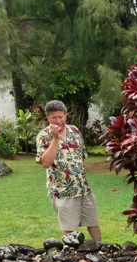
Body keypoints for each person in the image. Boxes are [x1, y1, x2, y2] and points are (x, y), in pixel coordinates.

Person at [36, 100, 102, 242]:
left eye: (61, 117)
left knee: (93, 223)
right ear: (48, 117)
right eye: (54, 118)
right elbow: (46, 163)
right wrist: (55, 139)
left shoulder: (75, 131)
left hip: (83, 188)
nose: (59, 121)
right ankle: (70, 253)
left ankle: (100, 247)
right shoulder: (43, 136)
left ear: (66, 115)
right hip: (63, 191)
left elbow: (82, 157)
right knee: (69, 229)